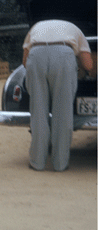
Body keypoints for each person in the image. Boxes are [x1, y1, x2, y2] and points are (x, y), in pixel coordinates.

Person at [23, 19, 92, 172]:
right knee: (63, 113)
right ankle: (60, 164)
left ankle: (37, 162)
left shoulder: (36, 27)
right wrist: (78, 67)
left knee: (38, 113)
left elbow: (25, 61)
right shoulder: (76, 29)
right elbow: (88, 65)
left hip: (36, 54)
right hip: (63, 55)